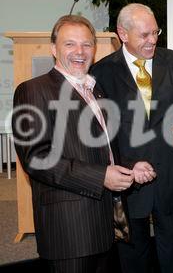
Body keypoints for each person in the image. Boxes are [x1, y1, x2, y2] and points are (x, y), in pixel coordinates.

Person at [12, 15, 135, 272]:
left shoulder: (95, 90)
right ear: (54, 49)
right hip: (68, 232)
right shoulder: (33, 90)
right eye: (70, 44)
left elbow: (103, 148)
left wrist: (131, 167)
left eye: (87, 45)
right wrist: (102, 177)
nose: (80, 52)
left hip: (104, 226)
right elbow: (36, 157)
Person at [91, 3, 173, 273]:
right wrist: (127, 167)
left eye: (156, 32)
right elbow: (103, 135)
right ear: (122, 34)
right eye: (144, 35)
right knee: (133, 258)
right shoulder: (102, 72)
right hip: (128, 183)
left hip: (171, 177)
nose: (153, 40)